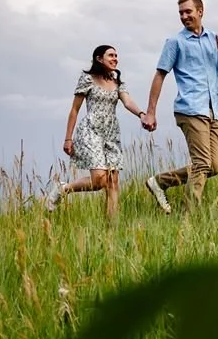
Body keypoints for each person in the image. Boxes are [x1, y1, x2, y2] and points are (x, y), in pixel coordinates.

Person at [139, 0, 218, 214]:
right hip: (190, 109)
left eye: (188, 12)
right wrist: (151, 112)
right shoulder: (175, 42)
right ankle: (189, 218)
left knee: (213, 167)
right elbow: (159, 75)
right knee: (202, 163)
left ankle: (160, 182)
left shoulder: (216, 39)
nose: (184, 16)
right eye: (181, 13)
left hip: (213, 111)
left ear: (200, 12)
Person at [40, 45, 147, 221]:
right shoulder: (87, 79)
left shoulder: (118, 82)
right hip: (91, 130)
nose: (115, 59)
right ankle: (64, 188)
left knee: (112, 182)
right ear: (99, 59)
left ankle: (112, 229)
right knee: (99, 180)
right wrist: (68, 138)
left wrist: (142, 114)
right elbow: (75, 109)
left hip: (111, 133)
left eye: (116, 56)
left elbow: (127, 102)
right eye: (111, 55)